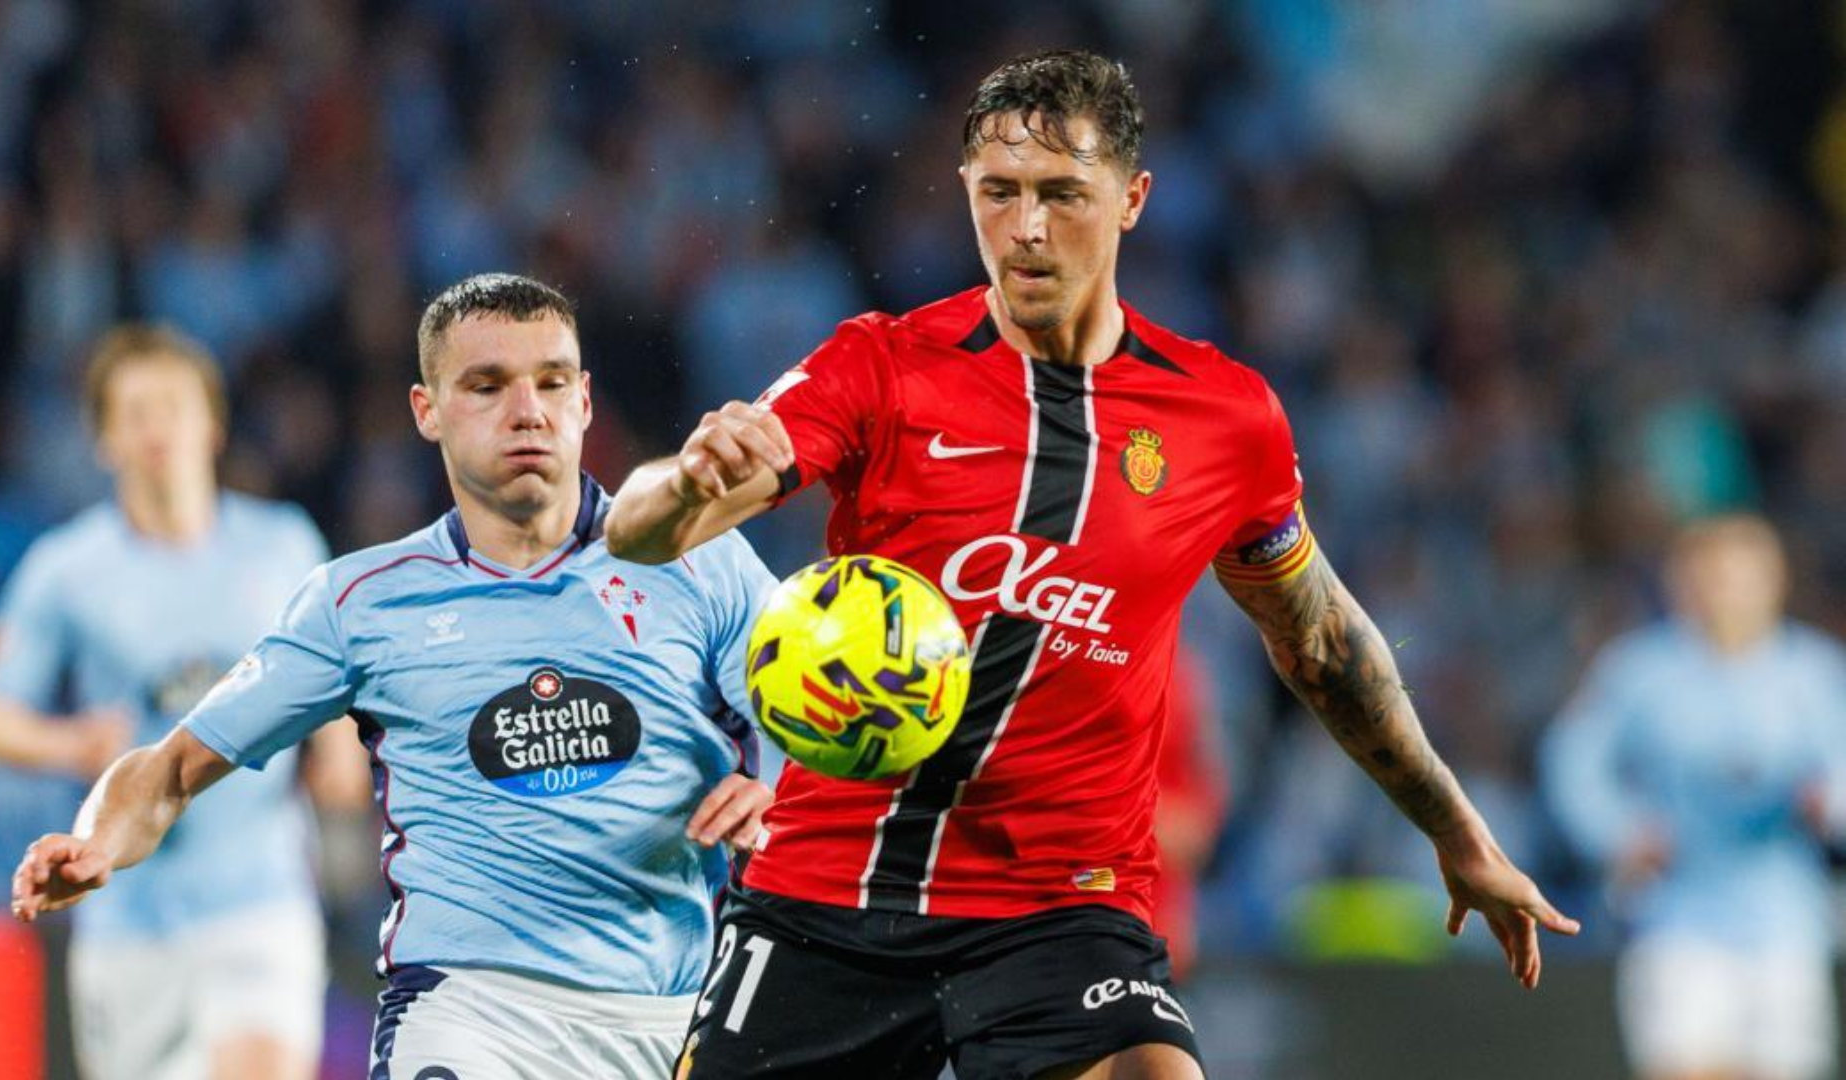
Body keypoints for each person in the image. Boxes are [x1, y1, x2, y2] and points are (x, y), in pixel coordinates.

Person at [606, 50, 1579, 1080]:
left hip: (1061, 912)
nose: (1027, 228)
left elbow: (1322, 640)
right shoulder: (880, 365)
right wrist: (687, 479)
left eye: (1063, 194)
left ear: (1132, 200)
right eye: (1000, 194)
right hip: (826, 892)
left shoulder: (1224, 418)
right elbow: (640, 532)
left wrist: (1456, 828)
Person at [11, 274, 779, 1080]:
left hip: (676, 1014)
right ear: (427, 410)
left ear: (585, 400)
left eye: (552, 382)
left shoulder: (703, 560)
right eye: (487, 386)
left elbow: (836, 733)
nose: (528, 411)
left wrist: (781, 794)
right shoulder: (360, 602)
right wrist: (97, 840)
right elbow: (169, 768)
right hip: (470, 1014)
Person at [0, 323, 370, 1080]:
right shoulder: (67, 569)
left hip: (261, 892)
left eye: (174, 407)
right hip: (129, 914)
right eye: (136, 412)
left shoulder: (283, 544)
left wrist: (339, 753)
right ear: (103, 440)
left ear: (212, 424)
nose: (158, 429)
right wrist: (71, 743)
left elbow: (339, 676)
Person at [1543, 515, 1846, 1080]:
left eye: (1742, 576)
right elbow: (1574, 760)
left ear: (1775, 581)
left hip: (1785, 919)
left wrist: (1827, 803)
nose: (1726, 590)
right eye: (1711, 576)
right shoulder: (1641, 671)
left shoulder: (1816, 674)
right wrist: (1619, 832)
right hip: (1677, 915)